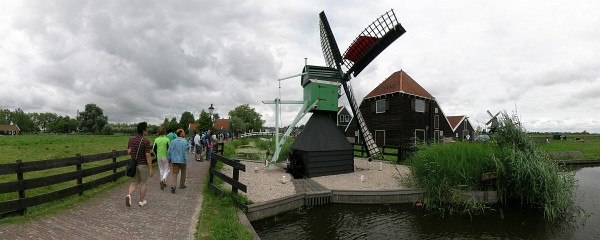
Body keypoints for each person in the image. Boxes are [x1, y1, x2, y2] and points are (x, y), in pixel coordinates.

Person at [125, 122, 153, 207]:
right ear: (144, 131)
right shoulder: (146, 141)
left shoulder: (131, 139)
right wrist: (151, 168)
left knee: (134, 182)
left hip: (134, 164)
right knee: (143, 183)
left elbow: (129, 152)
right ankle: (141, 201)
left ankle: (129, 195)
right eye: (146, 129)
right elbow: (148, 155)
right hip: (143, 165)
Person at [167, 129, 189, 193]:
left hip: (175, 160)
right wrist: (186, 158)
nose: (184, 133)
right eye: (183, 132)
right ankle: (182, 185)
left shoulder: (173, 141)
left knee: (174, 173)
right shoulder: (185, 141)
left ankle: (173, 186)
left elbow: (169, 151)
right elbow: (186, 150)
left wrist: (169, 159)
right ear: (181, 133)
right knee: (183, 173)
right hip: (183, 160)